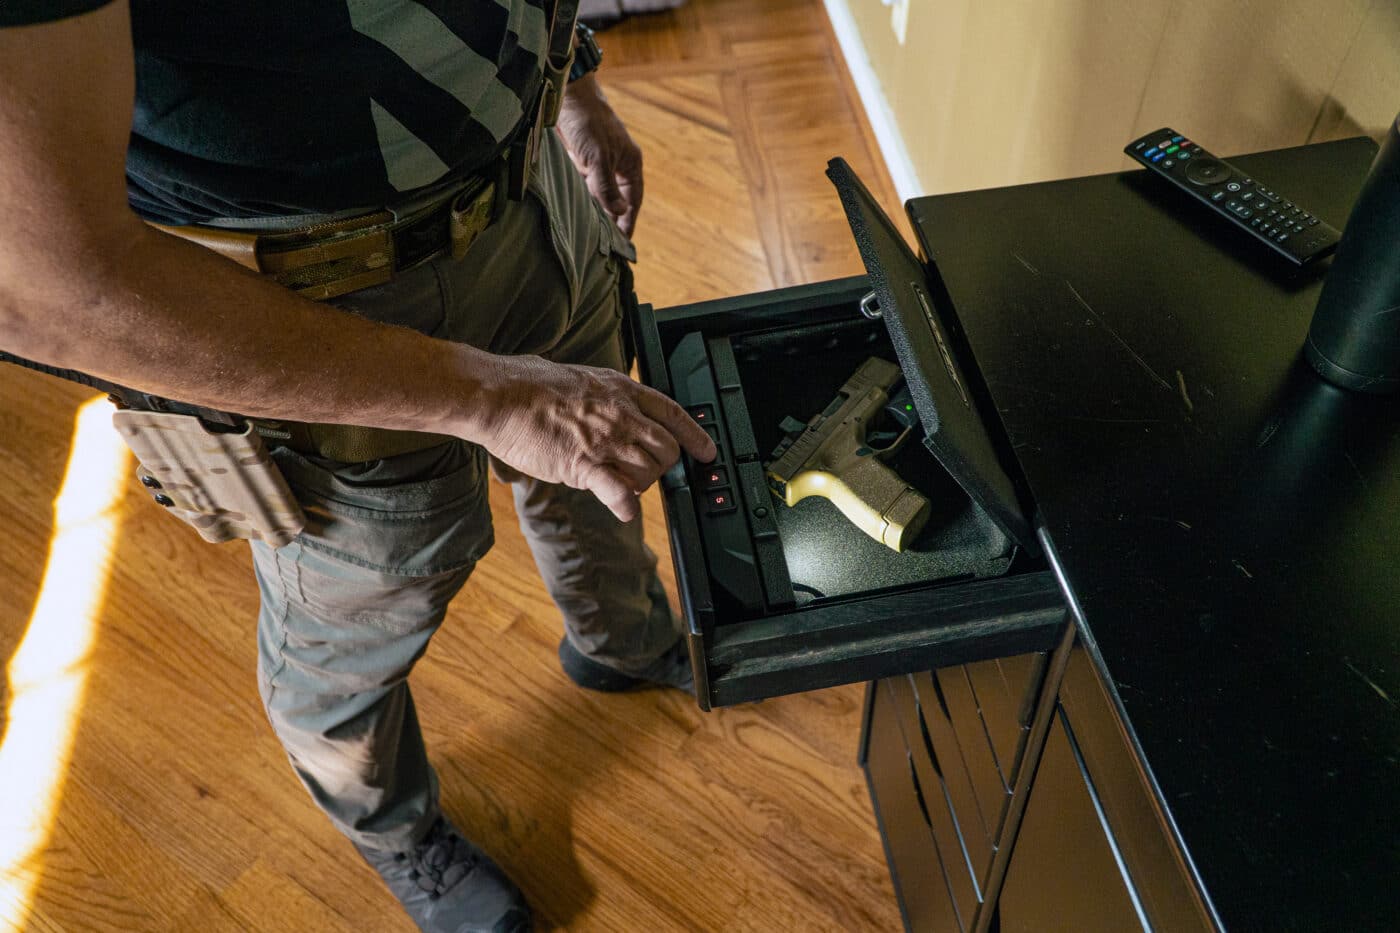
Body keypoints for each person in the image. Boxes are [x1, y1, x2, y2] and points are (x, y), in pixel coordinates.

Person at [0, 2, 715, 931]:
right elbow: (45, 289)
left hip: (533, 188)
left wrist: (570, 79)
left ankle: (621, 637)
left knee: (601, 462)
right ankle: (391, 827)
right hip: (305, 311)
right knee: (360, 611)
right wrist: (492, 399)